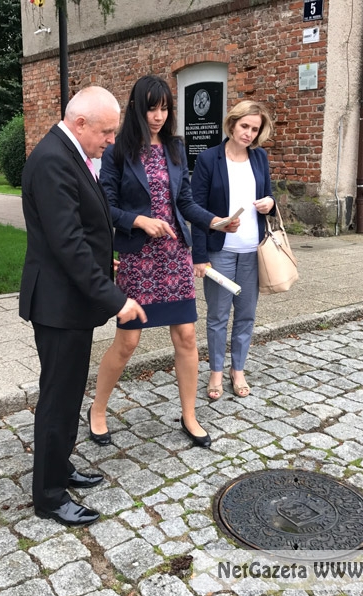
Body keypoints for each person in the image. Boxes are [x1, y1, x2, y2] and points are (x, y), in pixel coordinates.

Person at [88, 75, 239, 449]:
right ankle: (97, 409)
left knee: (186, 336)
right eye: (151, 108)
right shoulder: (118, 151)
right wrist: (139, 220)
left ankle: (189, 415)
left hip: (174, 257)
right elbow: (105, 206)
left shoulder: (175, 147)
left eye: (165, 108)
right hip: (139, 259)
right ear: (137, 108)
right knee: (128, 341)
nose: (158, 116)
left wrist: (215, 221)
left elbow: (184, 201)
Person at [19, 86, 147, 527]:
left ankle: (60, 467)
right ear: (80, 123)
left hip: (69, 300)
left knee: (70, 391)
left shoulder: (68, 153)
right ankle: (50, 496)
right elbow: (68, 243)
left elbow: (82, 227)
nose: (111, 140)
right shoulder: (53, 160)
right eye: (106, 132)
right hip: (58, 305)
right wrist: (117, 298)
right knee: (58, 398)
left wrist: (103, 258)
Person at [191, 100, 276, 400]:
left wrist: (270, 203)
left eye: (255, 129)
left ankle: (237, 369)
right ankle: (216, 371)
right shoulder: (208, 159)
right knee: (217, 316)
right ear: (232, 124)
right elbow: (196, 209)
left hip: (253, 250)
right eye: (244, 126)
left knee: (246, 315)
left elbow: (269, 196)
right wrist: (199, 256)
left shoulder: (260, 158)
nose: (249, 133)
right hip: (220, 251)